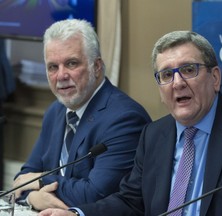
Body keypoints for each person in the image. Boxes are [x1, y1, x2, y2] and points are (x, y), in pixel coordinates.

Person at [39, 31, 222, 216]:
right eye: (166, 75)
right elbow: (131, 201)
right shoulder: (154, 134)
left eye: (189, 70)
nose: (177, 83)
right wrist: (76, 214)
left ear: (215, 78)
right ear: (160, 88)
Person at [12, 19, 151, 211]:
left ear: (97, 66)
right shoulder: (56, 111)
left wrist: (43, 181)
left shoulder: (125, 119)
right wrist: (34, 197)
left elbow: (95, 194)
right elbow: (23, 178)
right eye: (53, 67)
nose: (61, 75)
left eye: (71, 63)